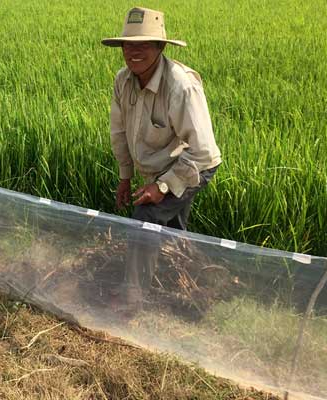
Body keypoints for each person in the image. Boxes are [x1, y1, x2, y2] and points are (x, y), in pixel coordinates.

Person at [102, 7, 222, 313]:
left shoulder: (180, 85)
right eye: (129, 44)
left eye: (144, 44)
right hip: (159, 167)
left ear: (161, 47)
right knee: (170, 227)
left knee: (146, 217)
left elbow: (204, 152)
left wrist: (164, 186)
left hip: (193, 166)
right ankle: (191, 283)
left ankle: (132, 299)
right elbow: (119, 131)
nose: (134, 51)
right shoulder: (123, 81)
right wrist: (125, 176)